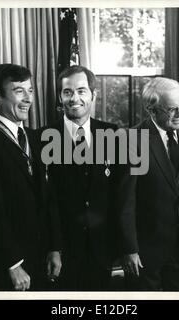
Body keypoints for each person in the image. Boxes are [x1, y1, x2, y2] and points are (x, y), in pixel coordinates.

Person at [120, 77, 179, 291]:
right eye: (172, 109)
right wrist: (130, 249)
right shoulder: (133, 140)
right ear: (151, 109)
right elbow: (127, 201)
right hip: (147, 252)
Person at [0, 64, 62, 291]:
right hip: (8, 264)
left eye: (30, 90)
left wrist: (54, 247)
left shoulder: (35, 137)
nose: (28, 99)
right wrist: (13, 263)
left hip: (42, 258)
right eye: (19, 91)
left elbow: (49, 197)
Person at [37, 65, 119, 290]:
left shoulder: (113, 134)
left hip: (104, 250)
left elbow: (119, 196)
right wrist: (54, 247)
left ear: (94, 95)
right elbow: (45, 201)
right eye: (67, 92)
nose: (75, 98)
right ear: (60, 97)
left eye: (82, 91)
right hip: (61, 252)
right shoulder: (42, 138)